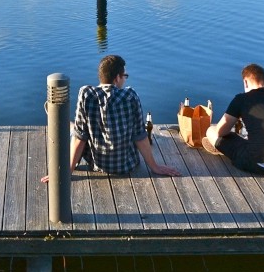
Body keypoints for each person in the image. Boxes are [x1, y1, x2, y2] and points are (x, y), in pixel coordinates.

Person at [42, 55, 179, 182]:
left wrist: (67, 171)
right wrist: (154, 167)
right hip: (126, 165)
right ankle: (69, 124)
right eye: (125, 76)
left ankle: (65, 122)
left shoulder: (86, 94)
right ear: (117, 78)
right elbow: (140, 136)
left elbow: (80, 138)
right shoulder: (130, 96)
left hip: (97, 163)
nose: (125, 79)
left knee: (77, 131)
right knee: (80, 130)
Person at [203, 63, 264, 174]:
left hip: (256, 164)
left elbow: (221, 131)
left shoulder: (241, 99)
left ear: (245, 82)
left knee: (211, 131)